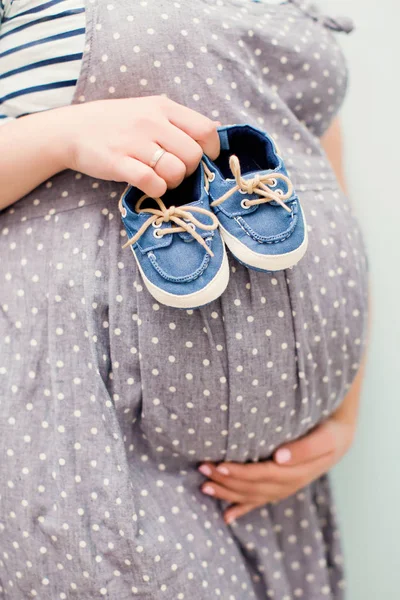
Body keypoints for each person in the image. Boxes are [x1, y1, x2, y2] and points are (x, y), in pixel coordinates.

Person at [0, 1, 369, 598]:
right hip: (86, 446)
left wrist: (339, 413)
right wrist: (59, 135)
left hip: (273, 492)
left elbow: (316, 166)